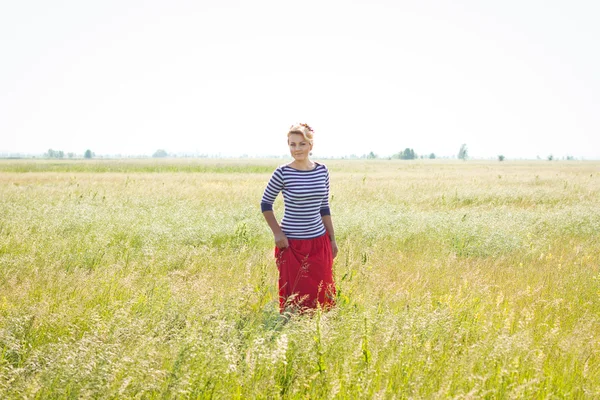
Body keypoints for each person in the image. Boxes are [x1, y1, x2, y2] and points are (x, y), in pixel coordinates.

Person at [261, 123, 338, 312]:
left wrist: (332, 239)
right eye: (292, 144)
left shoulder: (322, 170)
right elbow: (265, 204)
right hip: (291, 244)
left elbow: (324, 207)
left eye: (302, 144)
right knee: (295, 297)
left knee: (322, 292)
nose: (297, 149)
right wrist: (278, 234)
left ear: (311, 145)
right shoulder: (283, 172)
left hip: (319, 242)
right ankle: (293, 330)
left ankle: (320, 331)